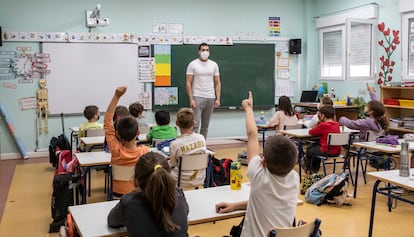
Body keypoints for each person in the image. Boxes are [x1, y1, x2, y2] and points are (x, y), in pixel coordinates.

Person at [215, 91, 299, 237]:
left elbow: (252, 135)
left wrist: (248, 108)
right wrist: (235, 206)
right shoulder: (294, 178)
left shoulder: (259, 175)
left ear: (263, 162)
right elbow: (263, 202)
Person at [108, 152, 189, 237]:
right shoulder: (179, 196)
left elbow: (112, 221)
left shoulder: (129, 203)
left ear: (136, 181)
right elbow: (185, 212)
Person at [104, 86, 149, 196]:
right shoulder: (145, 152)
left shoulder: (115, 150)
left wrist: (116, 96)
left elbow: (107, 121)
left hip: (117, 193)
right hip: (138, 193)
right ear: (138, 133)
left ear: (117, 134)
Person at [186, 42, 221, 139]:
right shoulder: (193, 64)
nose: (205, 52)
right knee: (195, 124)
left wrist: (218, 98)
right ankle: (194, 144)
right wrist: (191, 99)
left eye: (207, 50)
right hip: (197, 96)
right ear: (199, 51)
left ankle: (203, 146)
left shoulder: (214, 65)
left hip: (210, 97)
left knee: (205, 126)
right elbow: (188, 82)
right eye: (203, 50)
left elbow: (217, 82)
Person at [169, 108, 207, 188]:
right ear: (194, 122)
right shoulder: (201, 138)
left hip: (180, 180)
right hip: (200, 178)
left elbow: (172, 164)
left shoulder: (175, 144)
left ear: (177, 123)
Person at [303, 105, 341, 173]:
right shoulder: (336, 124)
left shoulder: (323, 125)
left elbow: (311, 132)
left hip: (326, 152)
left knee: (310, 150)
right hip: (337, 152)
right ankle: (314, 168)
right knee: (316, 148)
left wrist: (319, 121)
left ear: (323, 115)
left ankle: (310, 168)